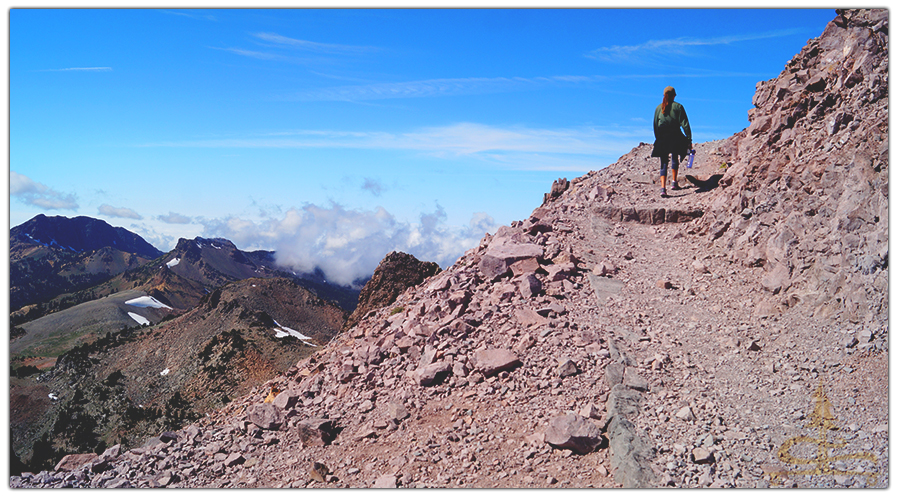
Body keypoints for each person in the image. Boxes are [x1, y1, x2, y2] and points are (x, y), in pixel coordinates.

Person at [652, 86, 692, 197]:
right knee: (675, 156)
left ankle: (663, 188)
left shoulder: (658, 108)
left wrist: (658, 138)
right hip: (675, 134)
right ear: (673, 95)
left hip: (662, 136)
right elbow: (685, 124)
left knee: (663, 161)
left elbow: (655, 125)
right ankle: (674, 182)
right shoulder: (678, 107)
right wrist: (689, 139)